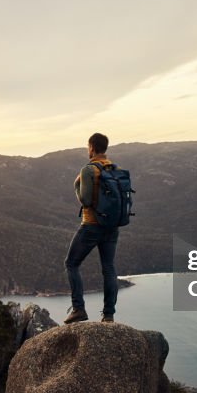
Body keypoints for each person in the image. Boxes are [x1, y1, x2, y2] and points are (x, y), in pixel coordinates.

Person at [64, 132, 120, 324]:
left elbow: (86, 200)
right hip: (112, 227)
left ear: (92, 147)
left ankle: (79, 309)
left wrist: (76, 185)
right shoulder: (114, 168)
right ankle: (109, 315)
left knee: (71, 263)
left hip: (91, 226)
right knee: (109, 269)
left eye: (88, 146)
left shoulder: (89, 170)